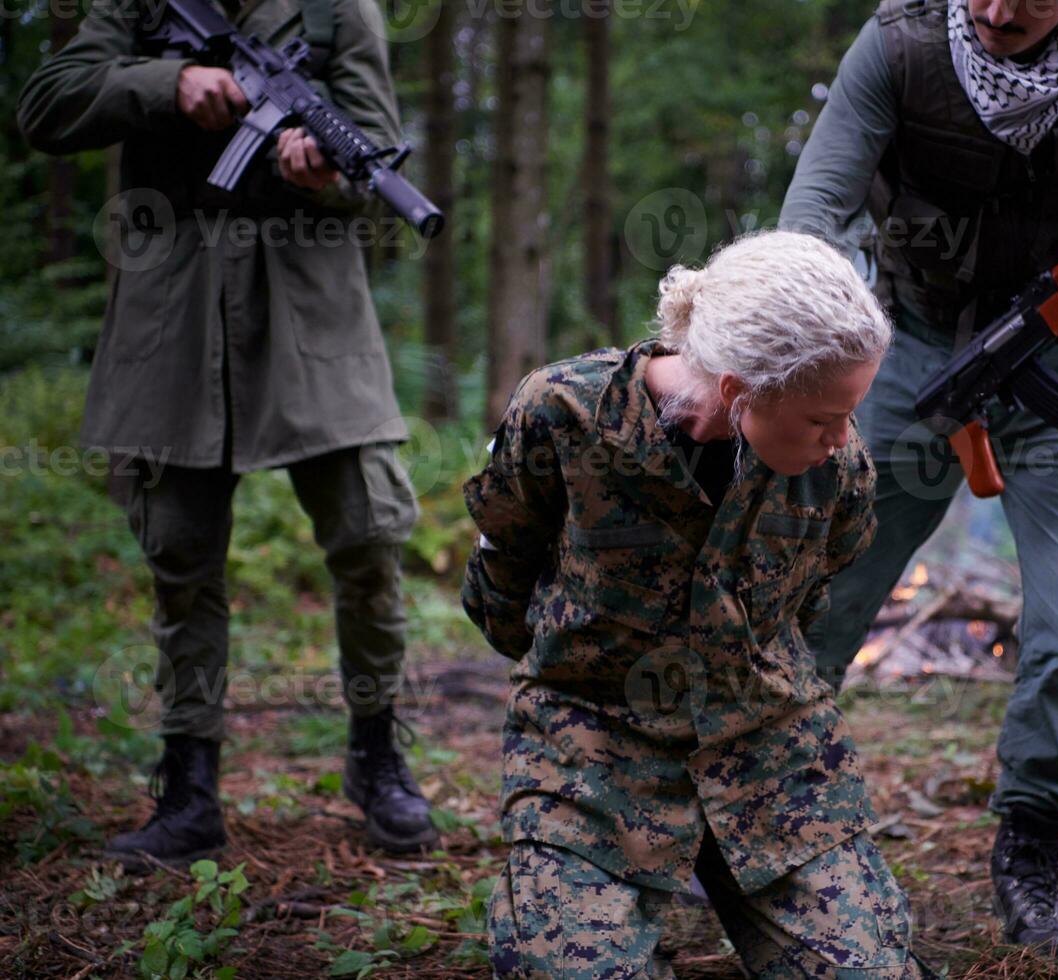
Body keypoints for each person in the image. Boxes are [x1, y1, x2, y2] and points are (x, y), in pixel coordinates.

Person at [779, 0, 1058, 959]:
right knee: (811, 598)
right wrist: (811, 327)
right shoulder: (898, 49)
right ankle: (773, 825)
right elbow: (808, 221)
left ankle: (1032, 858)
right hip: (909, 352)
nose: (999, 14)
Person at [16, 0, 437, 868]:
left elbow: (375, 140)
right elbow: (48, 103)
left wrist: (320, 163)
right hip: (174, 300)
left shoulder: (336, 9)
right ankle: (188, 788)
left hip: (311, 305)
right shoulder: (140, 5)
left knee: (368, 529)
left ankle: (376, 755)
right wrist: (168, 83)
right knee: (179, 547)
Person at [461, 230, 934, 977]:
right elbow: (501, 573)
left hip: (766, 753)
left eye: (850, 414)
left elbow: (805, 608)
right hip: (594, 751)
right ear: (739, 391)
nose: (841, 439)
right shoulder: (562, 415)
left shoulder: (837, 471)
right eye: (821, 419)